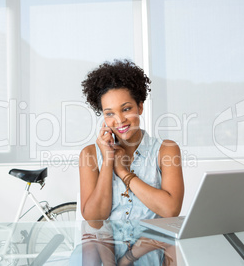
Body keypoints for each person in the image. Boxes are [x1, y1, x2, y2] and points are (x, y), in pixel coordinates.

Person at [79, 59, 184, 221]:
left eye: (126, 109)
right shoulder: (89, 154)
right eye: (109, 113)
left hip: (151, 245)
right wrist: (108, 161)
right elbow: (94, 220)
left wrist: (122, 172)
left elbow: (170, 210)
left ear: (140, 107)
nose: (119, 120)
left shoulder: (166, 150)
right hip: (109, 246)